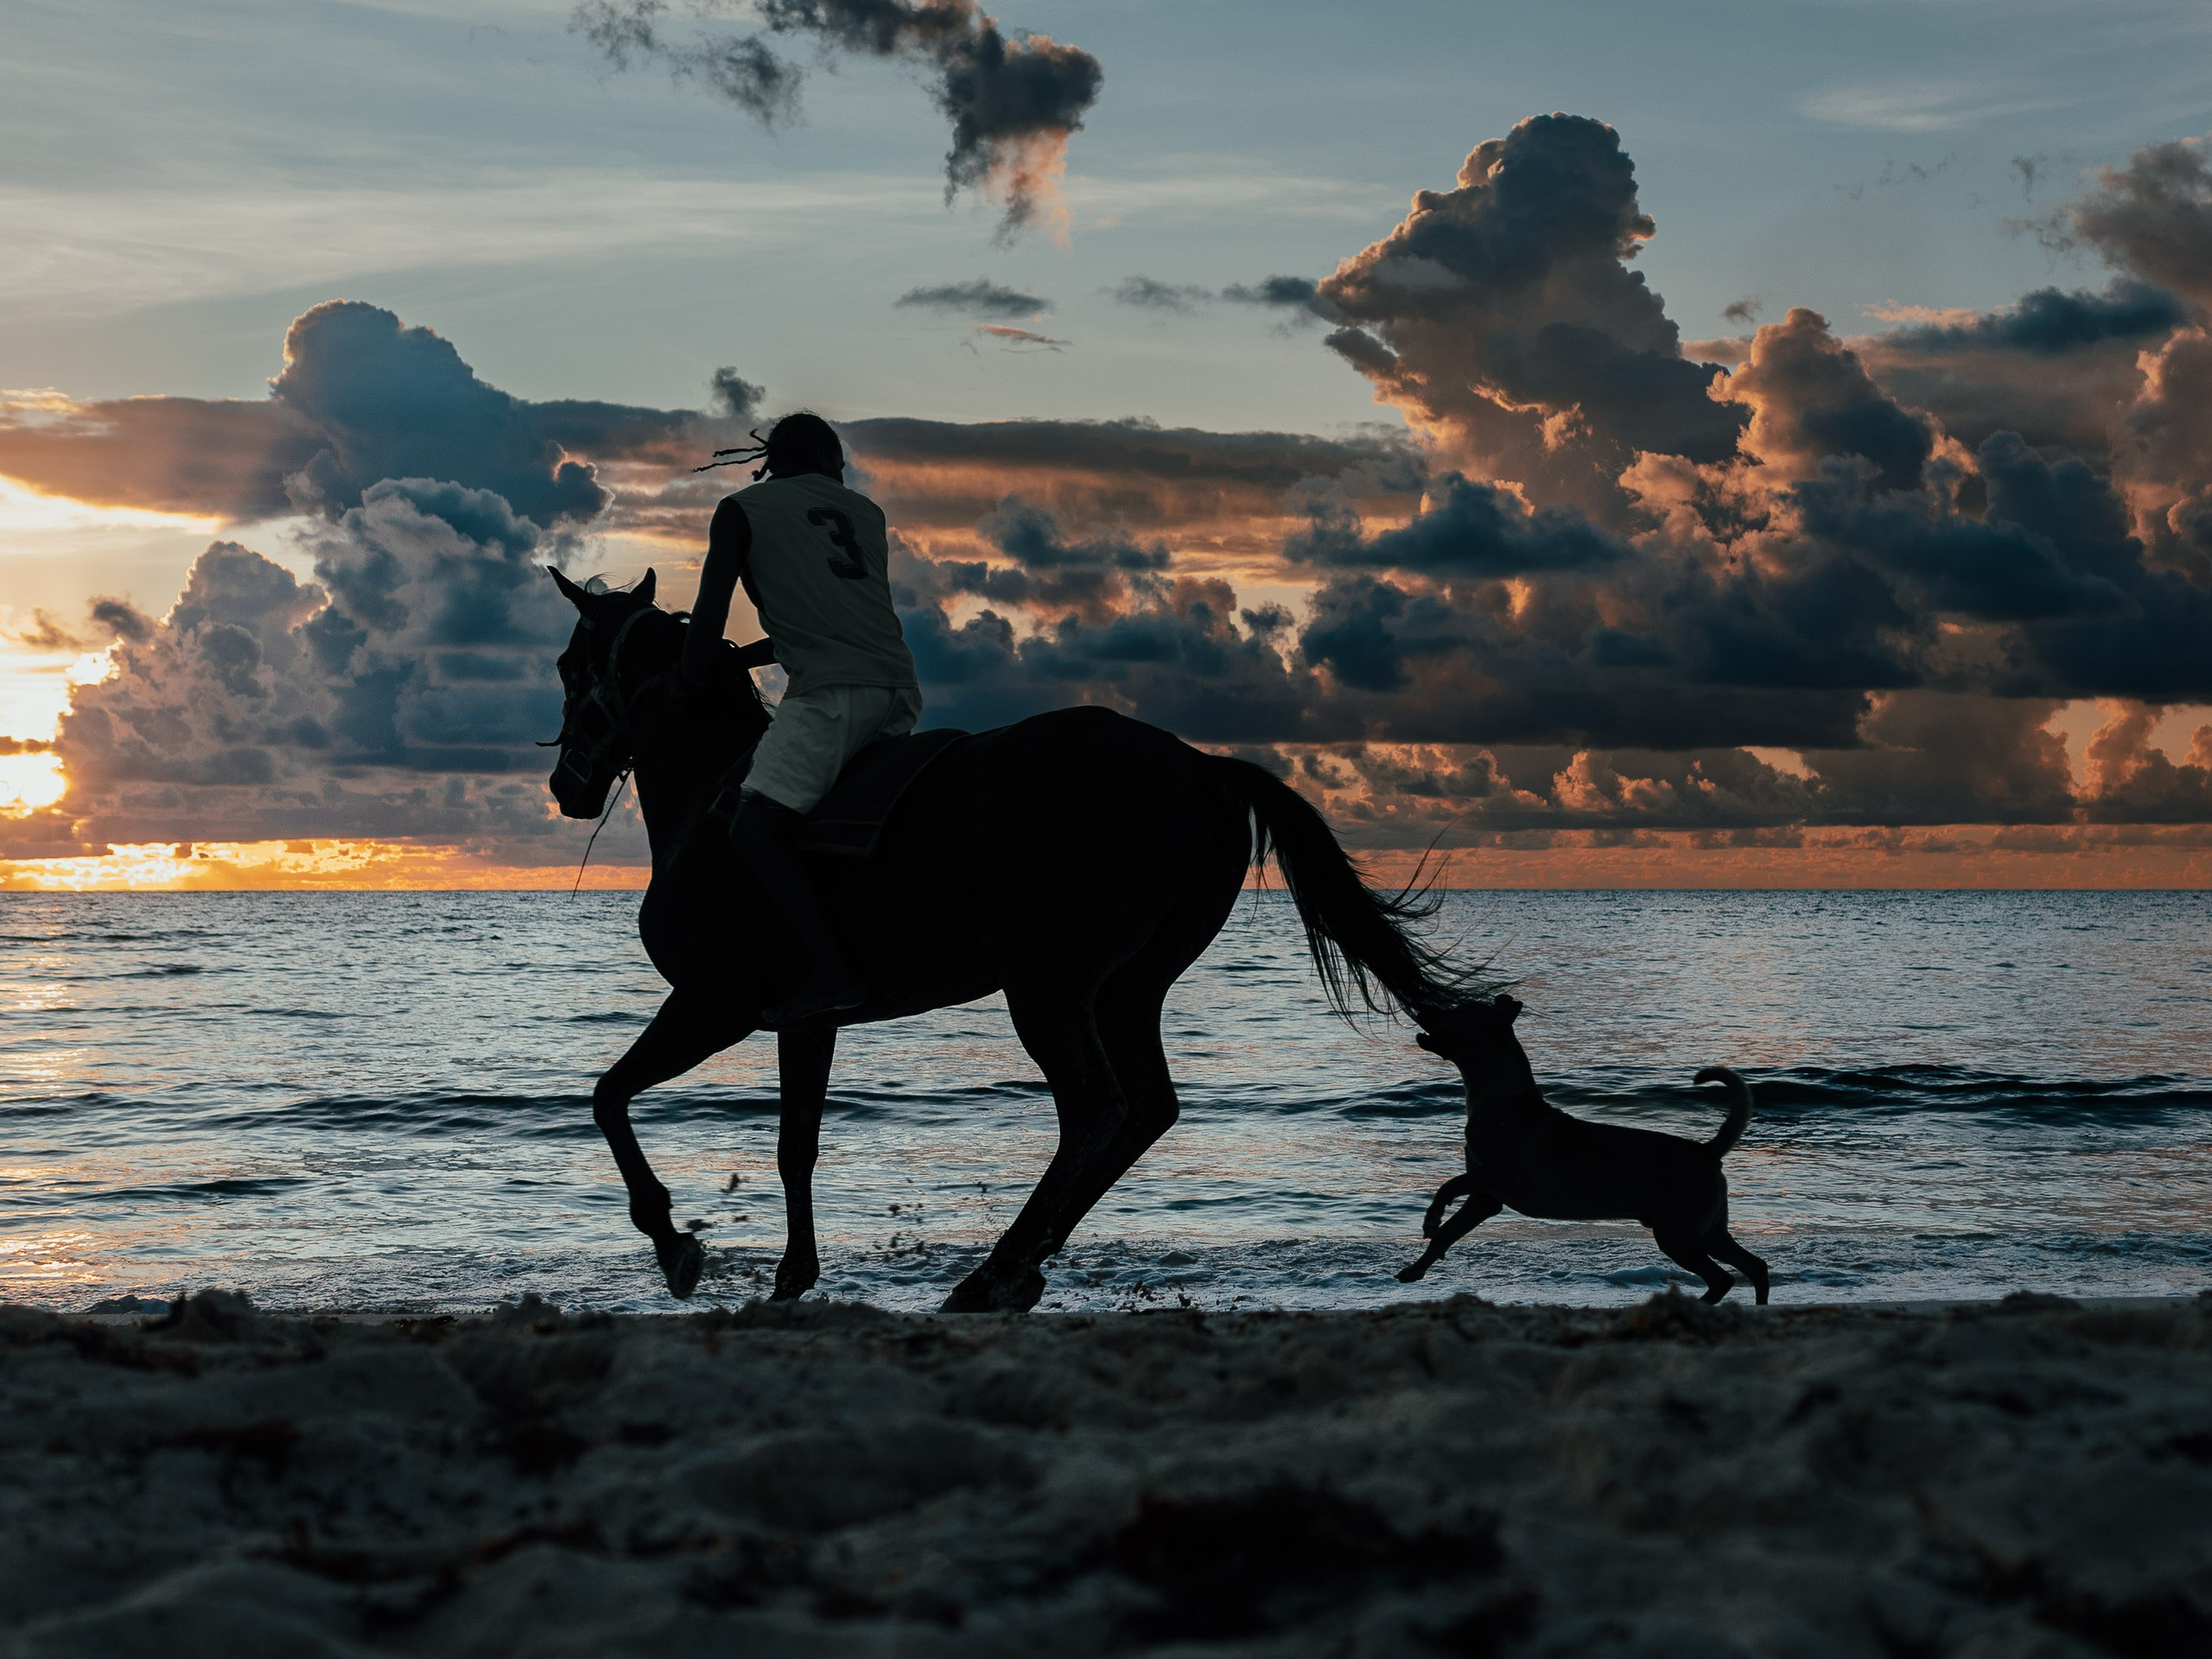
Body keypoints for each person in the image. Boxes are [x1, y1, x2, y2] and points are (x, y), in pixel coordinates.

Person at [679, 412, 921, 1027]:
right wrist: (749, 658)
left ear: (771, 461)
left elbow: (707, 618)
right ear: (825, 460)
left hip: (832, 696)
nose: (841, 474)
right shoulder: (865, 513)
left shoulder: (741, 509)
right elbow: (827, 620)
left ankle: (835, 975)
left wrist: (689, 680)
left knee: (754, 828)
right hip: (898, 690)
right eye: (838, 464)